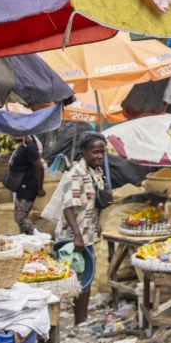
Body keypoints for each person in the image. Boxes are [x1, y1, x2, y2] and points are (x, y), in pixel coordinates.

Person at [56, 131, 109, 323]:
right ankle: (70, 320)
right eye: (95, 152)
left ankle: (81, 320)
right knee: (71, 279)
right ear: (84, 151)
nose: (99, 156)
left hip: (88, 233)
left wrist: (98, 224)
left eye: (102, 152)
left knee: (85, 278)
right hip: (73, 237)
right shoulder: (76, 174)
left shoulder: (96, 172)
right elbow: (68, 207)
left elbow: (92, 202)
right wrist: (76, 235)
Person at [9, 136, 45, 234]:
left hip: (28, 187)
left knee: (20, 218)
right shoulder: (23, 145)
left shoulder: (30, 147)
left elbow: (40, 167)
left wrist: (40, 188)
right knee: (19, 217)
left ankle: (41, 236)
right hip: (21, 187)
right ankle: (27, 240)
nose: (12, 136)